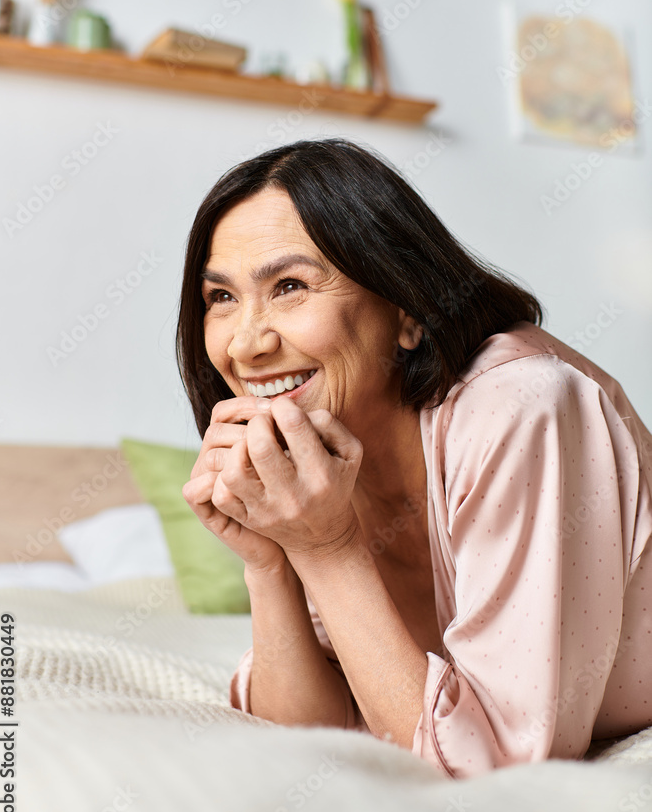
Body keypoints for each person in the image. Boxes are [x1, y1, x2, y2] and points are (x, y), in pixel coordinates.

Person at [176, 137, 652, 779]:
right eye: (221, 298)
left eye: (289, 286)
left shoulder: (521, 403)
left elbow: (494, 770)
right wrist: (271, 562)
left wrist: (326, 548)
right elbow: (308, 734)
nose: (245, 344)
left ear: (405, 309)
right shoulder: (326, 452)